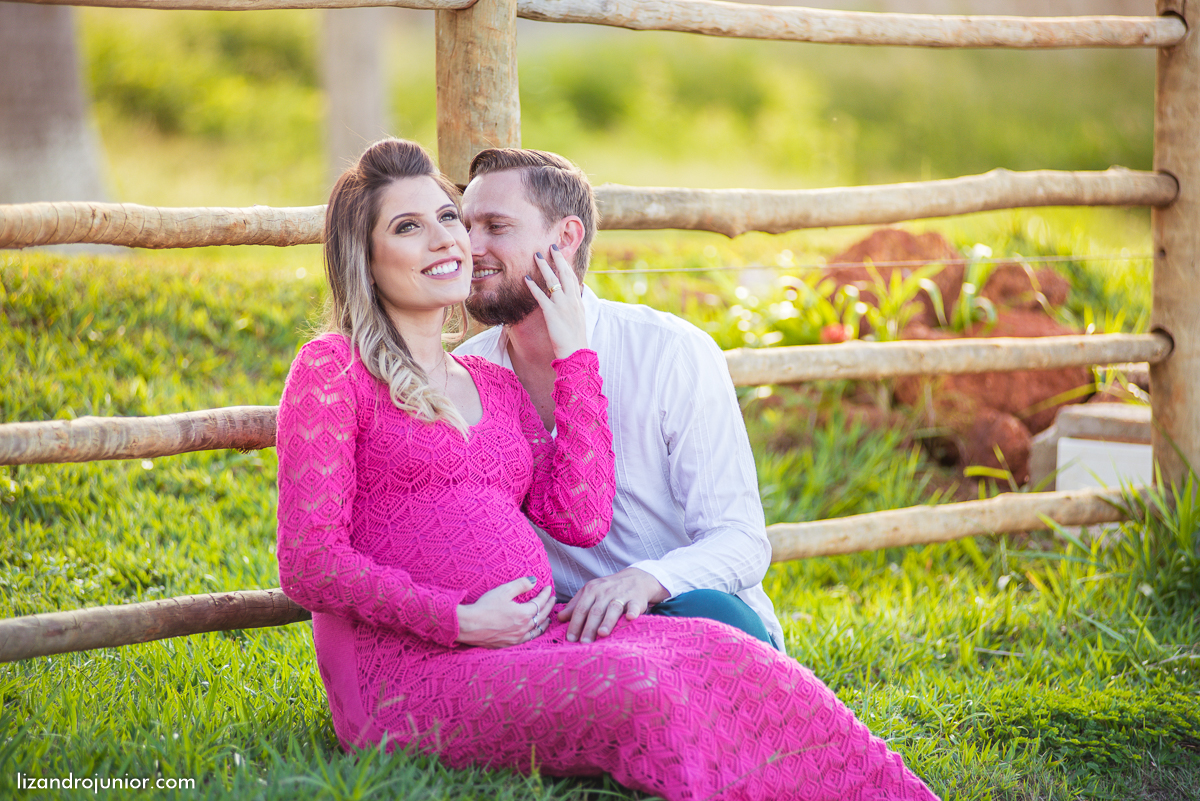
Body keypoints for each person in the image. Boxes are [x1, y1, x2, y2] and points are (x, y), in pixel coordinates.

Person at [276, 137, 939, 800]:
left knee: (724, 653)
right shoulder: (334, 371)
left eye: (451, 218)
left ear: (564, 238)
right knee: (648, 690)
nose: (457, 242)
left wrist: (574, 359)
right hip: (409, 672)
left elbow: (581, 517)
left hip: (534, 640)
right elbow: (309, 560)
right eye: (410, 226)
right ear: (365, 259)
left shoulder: (492, 379)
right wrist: (457, 620)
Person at [454, 148, 785, 649]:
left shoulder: (672, 352)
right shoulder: (465, 373)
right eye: (465, 226)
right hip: (568, 636)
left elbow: (740, 541)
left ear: (565, 238)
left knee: (709, 615)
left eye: (496, 227)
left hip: (691, 614)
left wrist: (645, 581)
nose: (468, 246)